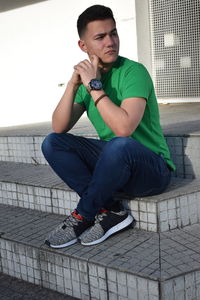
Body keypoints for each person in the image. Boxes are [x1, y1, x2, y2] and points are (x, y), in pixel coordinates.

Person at [41, 4, 175, 248]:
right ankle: (111, 210)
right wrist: (73, 84)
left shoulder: (134, 72)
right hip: (117, 168)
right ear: (83, 46)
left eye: (113, 33)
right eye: (100, 37)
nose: (110, 42)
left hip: (152, 170)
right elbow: (58, 126)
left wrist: (94, 86)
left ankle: (82, 215)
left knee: (119, 144)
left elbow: (124, 129)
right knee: (53, 143)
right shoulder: (86, 81)